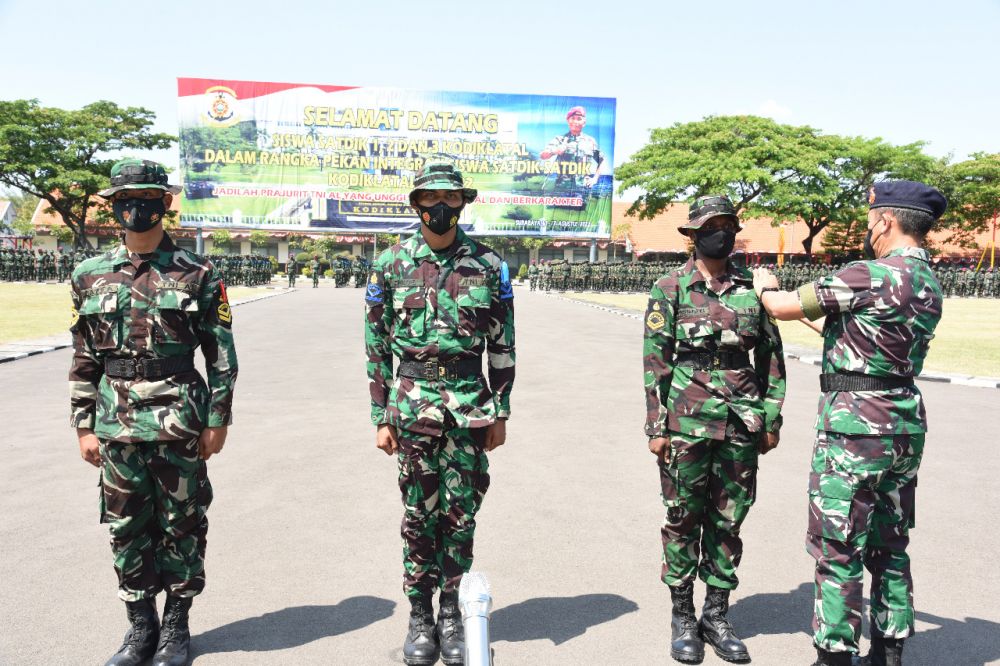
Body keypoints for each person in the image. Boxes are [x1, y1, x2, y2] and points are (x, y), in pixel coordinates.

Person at [751, 181, 946, 666]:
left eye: (869, 219)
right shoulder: (927, 282)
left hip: (855, 430)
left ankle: (835, 653)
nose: (867, 228)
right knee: (891, 545)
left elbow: (781, 306)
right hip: (903, 424)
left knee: (839, 547)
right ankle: (889, 649)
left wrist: (765, 288)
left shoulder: (868, 274)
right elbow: (861, 336)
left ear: (885, 221)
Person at [69, 158, 238, 666]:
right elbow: (83, 357)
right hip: (115, 422)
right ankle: (140, 625)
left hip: (179, 420)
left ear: (165, 204)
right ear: (113, 206)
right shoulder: (87, 274)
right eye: (124, 200)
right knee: (124, 527)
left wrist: (218, 419)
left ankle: (177, 625)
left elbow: (221, 355)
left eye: (146, 198)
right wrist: (82, 425)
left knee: (182, 525)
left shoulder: (199, 272)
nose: (134, 208)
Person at [364, 161, 515, 666]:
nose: (441, 208)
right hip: (410, 405)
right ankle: (419, 615)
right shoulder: (389, 264)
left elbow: (502, 344)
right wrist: (380, 415)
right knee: (417, 514)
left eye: (451, 199)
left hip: (470, 404)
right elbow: (375, 345)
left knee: (460, 514)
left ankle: (452, 612)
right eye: (431, 200)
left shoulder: (489, 266)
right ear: (416, 205)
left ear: (463, 204)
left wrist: (502, 410)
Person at [644, 195, 785, 664]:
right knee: (682, 515)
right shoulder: (670, 288)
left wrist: (770, 416)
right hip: (685, 419)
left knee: (729, 519)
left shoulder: (752, 290)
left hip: (741, 420)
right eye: (711, 226)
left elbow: (770, 358)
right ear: (693, 234)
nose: (720, 233)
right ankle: (682, 615)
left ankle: (716, 614)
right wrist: (655, 425)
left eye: (727, 225)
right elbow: (656, 363)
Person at [539, 106, 607, 190]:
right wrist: (555, 151)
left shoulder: (590, 141)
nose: (575, 121)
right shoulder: (560, 139)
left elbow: (602, 160)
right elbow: (542, 155)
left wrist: (595, 179)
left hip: (583, 188)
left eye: (579, 119)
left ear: (584, 123)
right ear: (568, 121)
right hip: (562, 188)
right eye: (573, 118)